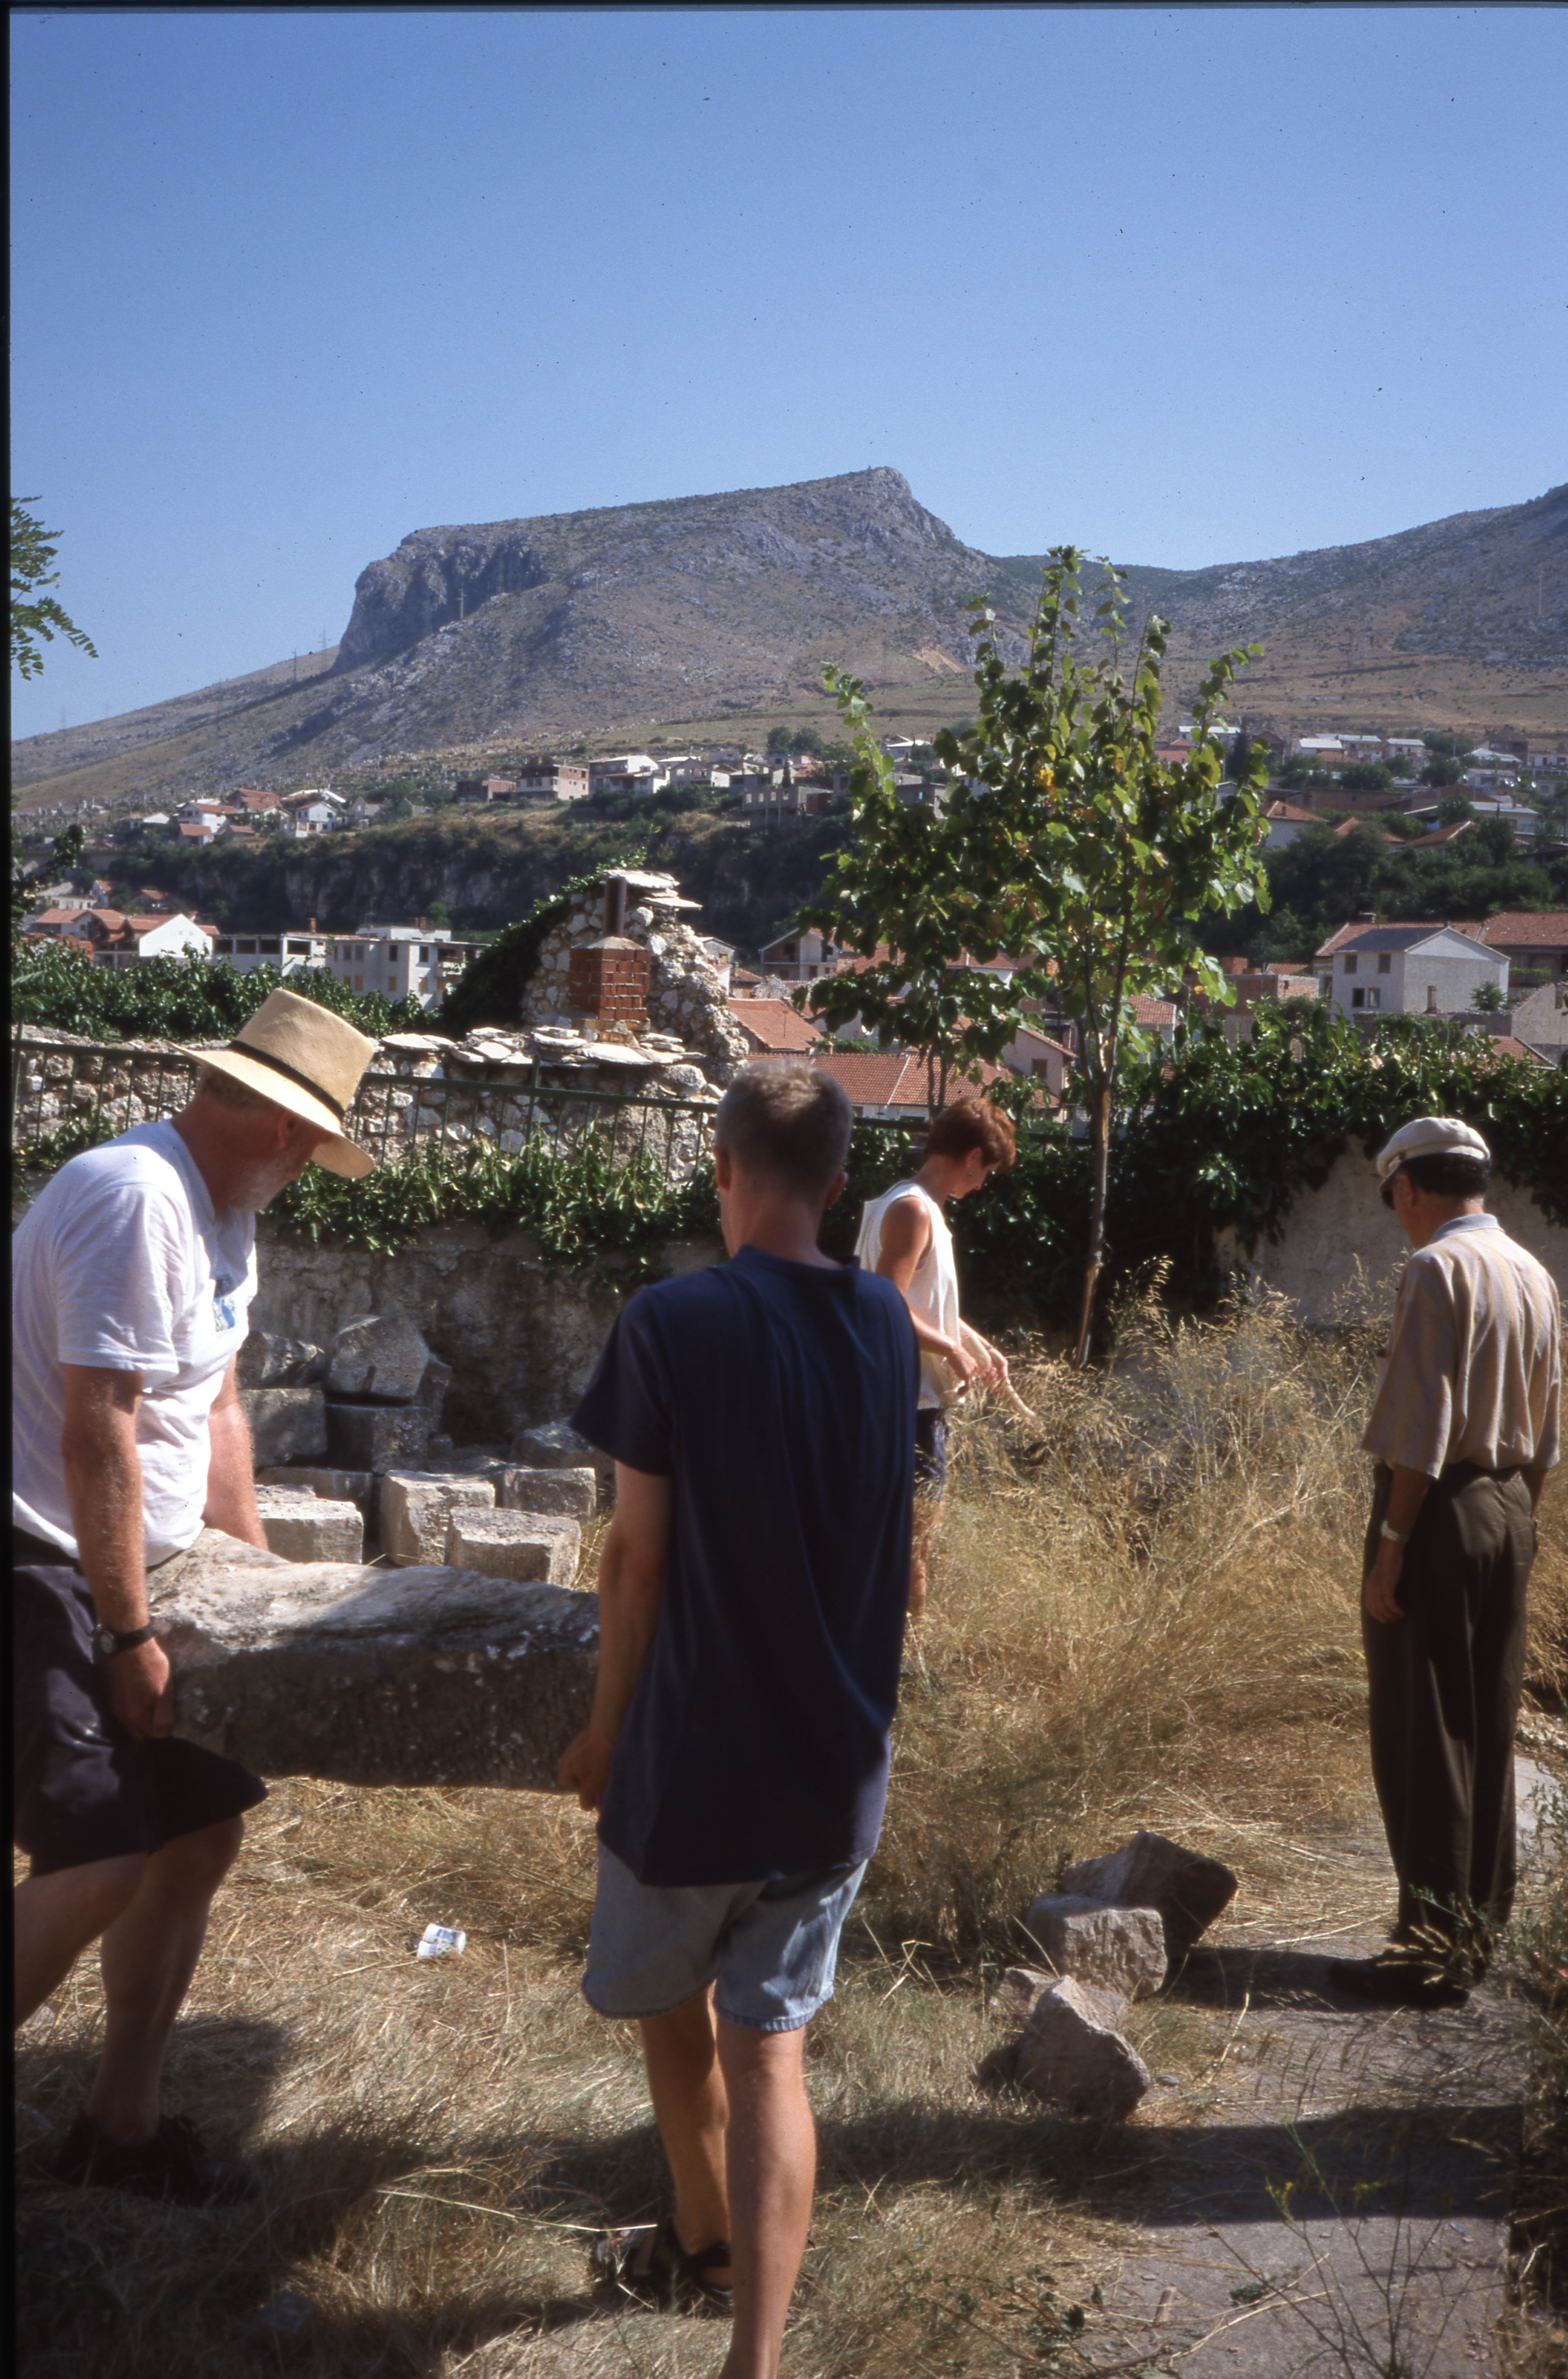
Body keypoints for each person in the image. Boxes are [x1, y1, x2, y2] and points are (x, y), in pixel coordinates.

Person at [557, 1058, 918, 2379]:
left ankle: (703, 2237)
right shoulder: (884, 1323)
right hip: (834, 1766)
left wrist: (605, 1731)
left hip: (694, 1762)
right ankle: (751, 2355)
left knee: (668, 2001)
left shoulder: (668, 1321)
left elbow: (633, 1559)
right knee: (771, 2056)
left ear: (719, 1169)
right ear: (837, 1184)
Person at [13, 988, 378, 2200]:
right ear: (284, 1129)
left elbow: (215, 1406)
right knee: (98, 1859)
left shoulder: (226, 1212)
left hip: (142, 1562)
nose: (308, 1172)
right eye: (314, 1151)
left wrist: (252, 1581)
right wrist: (126, 1632)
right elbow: (98, 1428)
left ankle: (119, 2128)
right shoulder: (136, 1198)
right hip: (38, 1553)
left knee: (199, 1829)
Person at [1329, 1116, 1560, 2008]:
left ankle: (1425, 1953)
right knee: (1486, 1724)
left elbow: (1421, 1429)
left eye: (1395, 1197)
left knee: (1424, 1732)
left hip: (1439, 1511)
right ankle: (1475, 1935)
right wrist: (1516, 1521)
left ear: (1410, 1187)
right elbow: (1546, 1427)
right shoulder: (1532, 1270)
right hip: (1509, 1507)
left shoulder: (1436, 1268)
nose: (1399, 1213)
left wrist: (1393, 1545)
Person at [853, 1095, 1017, 1616]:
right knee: (915, 1543)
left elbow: (921, 1302)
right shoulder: (912, 1210)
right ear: (972, 1157)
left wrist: (977, 1345)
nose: (982, 1184)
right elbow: (884, 1302)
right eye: (985, 1172)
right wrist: (949, 1348)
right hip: (906, 1403)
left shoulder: (916, 1206)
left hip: (902, 1399)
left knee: (903, 1541)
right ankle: (909, 1651)